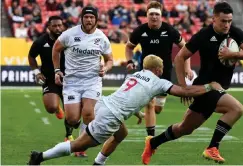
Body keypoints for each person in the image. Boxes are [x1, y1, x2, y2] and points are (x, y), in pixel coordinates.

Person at [27, 54, 224, 165]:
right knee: (79, 145)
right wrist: (208, 87)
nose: (162, 70)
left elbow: (131, 95)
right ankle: (40, 157)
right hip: (111, 114)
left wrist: (137, 113)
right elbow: (182, 91)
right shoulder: (158, 81)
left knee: (122, 133)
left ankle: (99, 163)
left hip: (105, 103)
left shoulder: (135, 75)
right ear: (157, 69)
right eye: (161, 67)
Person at [141, 2, 243, 164]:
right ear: (214, 19)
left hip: (218, 89)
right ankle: (212, 148)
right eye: (223, 21)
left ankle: (153, 142)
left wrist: (234, 54)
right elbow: (180, 57)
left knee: (184, 128)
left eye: (229, 21)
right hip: (205, 88)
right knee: (236, 108)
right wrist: (183, 87)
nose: (227, 25)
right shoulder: (204, 35)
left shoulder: (235, 33)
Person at [125, 1, 194, 137]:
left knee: (157, 109)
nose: (154, 17)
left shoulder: (169, 30)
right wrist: (130, 60)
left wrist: (188, 68)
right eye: (151, 14)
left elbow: (186, 48)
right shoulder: (140, 31)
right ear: (147, 15)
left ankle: (148, 113)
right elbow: (129, 47)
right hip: (146, 73)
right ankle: (150, 138)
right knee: (149, 104)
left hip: (165, 72)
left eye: (157, 14)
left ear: (161, 16)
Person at [52, 6, 113, 157]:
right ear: (82, 18)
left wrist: (105, 68)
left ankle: (81, 147)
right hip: (72, 81)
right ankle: (76, 131)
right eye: (86, 17)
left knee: (88, 114)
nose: (89, 20)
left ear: (96, 20)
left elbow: (110, 59)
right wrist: (57, 70)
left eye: (92, 17)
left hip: (92, 81)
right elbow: (56, 49)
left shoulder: (102, 38)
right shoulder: (70, 34)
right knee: (72, 118)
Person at [28, 16, 75, 141]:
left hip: (68, 79)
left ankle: (68, 135)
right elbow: (31, 56)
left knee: (71, 114)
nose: (57, 28)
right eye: (54, 26)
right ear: (48, 27)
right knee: (51, 108)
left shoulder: (70, 40)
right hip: (50, 79)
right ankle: (56, 107)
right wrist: (37, 72)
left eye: (60, 25)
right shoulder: (40, 42)